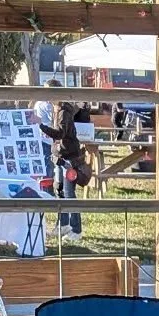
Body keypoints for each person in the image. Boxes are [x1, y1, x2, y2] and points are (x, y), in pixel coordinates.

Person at [47, 95, 93, 239]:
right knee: (59, 191)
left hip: (69, 159)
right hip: (61, 157)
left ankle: (76, 230)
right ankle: (63, 224)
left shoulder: (64, 112)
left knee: (69, 194)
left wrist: (41, 126)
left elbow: (60, 133)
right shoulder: (57, 110)